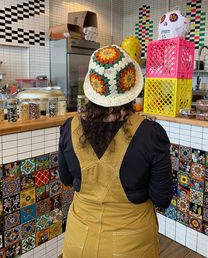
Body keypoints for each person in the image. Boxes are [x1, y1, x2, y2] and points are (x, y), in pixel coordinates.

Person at [59, 45, 173, 258]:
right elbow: (162, 197)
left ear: (92, 88)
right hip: (131, 245)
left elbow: (66, 178)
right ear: (131, 89)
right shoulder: (151, 133)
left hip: (79, 242)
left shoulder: (69, 127)